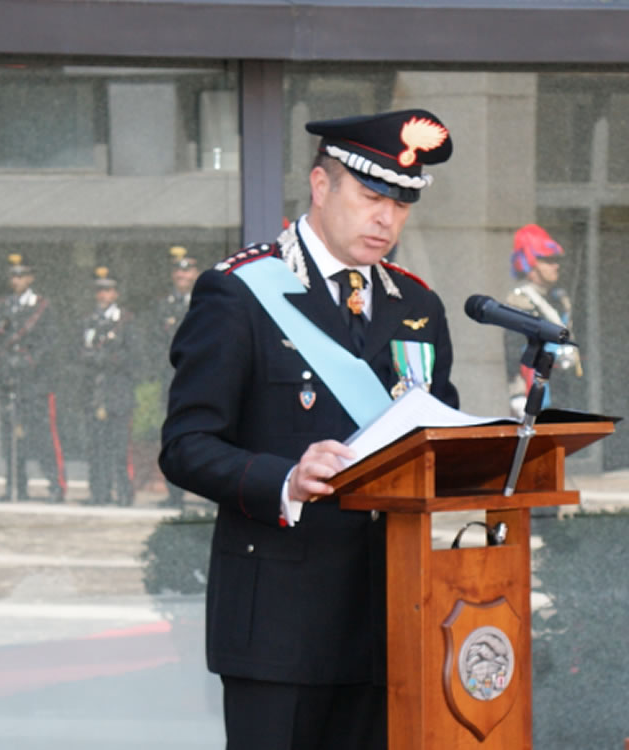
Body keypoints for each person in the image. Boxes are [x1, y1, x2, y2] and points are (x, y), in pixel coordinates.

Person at [159, 108, 458, 750]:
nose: (387, 219)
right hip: (280, 626)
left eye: (402, 205)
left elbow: (437, 439)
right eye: (373, 196)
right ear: (322, 186)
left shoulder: (418, 307)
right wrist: (286, 479)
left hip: (392, 614)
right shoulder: (239, 293)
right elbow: (186, 446)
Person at [0, 253, 67, 503]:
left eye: (21, 275)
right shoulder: (3, 306)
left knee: (42, 437)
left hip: (35, 382)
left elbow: (50, 341)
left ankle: (56, 485)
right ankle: (15, 485)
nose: (16, 279)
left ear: (30, 278)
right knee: (12, 437)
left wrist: (29, 360)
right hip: (10, 380)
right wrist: (4, 358)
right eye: (13, 275)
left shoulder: (42, 307)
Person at [503, 223, 580, 418]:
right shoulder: (520, 302)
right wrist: (517, 394)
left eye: (555, 260)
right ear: (529, 263)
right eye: (548, 260)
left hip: (563, 388)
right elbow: (513, 353)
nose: (556, 266)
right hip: (535, 391)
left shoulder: (559, 300)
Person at [81, 266, 138, 506]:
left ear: (116, 293)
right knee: (96, 448)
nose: (103, 295)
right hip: (94, 393)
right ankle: (99, 492)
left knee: (119, 448)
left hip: (118, 392)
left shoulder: (126, 321)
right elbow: (78, 352)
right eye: (99, 290)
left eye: (108, 290)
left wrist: (109, 360)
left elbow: (135, 357)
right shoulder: (87, 320)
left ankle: (124, 492)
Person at [151, 245, 199, 508]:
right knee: (172, 435)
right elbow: (156, 342)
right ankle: (174, 495)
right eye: (178, 271)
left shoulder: (207, 300)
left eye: (187, 270)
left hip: (201, 378)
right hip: (170, 378)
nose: (182, 276)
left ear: (196, 273)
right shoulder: (162, 305)